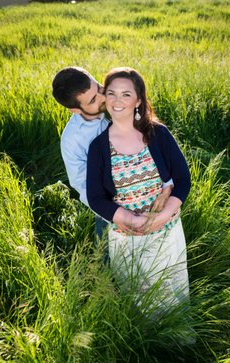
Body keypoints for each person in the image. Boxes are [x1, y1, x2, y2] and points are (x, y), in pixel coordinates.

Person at [87, 67, 191, 307]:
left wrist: (163, 216)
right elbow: (96, 197)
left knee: (170, 295)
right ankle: (144, 344)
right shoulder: (98, 147)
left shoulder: (158, 134)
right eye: (111, 93)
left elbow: (183, 180)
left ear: (138, 100)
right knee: (138, 300)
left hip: (167, 233)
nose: (117, 100)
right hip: (126, 239)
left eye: (126, 94)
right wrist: (128, 219)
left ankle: (177, 344)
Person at [52, 66, 173, 238]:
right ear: (76, 110)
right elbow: (83, 185)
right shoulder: (73, 140)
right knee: (112, 260)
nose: (103, 98)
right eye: (93, 100)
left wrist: (167, 184)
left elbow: (154, 142)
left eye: (100, 88)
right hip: (112, 210)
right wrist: (117, 215)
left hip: (152, 197)